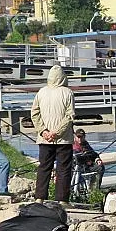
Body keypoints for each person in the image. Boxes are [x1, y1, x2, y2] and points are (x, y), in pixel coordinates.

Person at [31, 65, 75, 202]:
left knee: (44, 168)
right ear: (63, 77)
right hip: (64, 139)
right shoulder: (67, 92)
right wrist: (56, 133)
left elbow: (34, 113)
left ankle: (40, 197)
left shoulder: (41, 92)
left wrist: (43, 131)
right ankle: (62, 200)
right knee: (63, 169)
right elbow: (69, 116)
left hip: (44, 139)